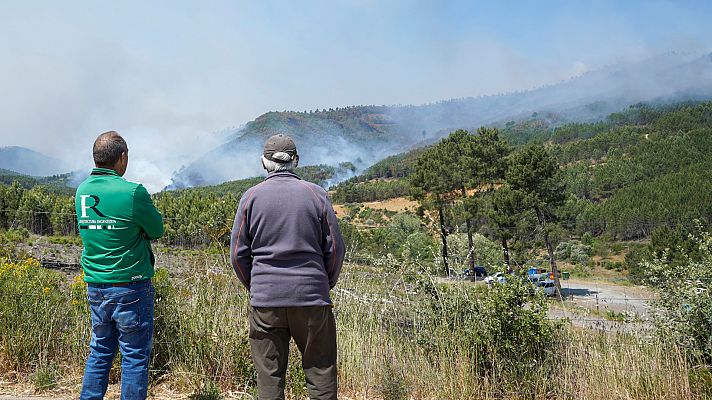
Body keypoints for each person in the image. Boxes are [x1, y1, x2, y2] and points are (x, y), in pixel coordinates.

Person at [231, 134, 346, 400]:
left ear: (263, 162)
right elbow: (336, 249)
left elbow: (237, 255)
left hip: (266, 301)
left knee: (269, 379)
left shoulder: (250, 198)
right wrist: (324, 282)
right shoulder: (316, 195)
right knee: (321, 373)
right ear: (296, 161)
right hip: (312, 299)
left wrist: (257, 284)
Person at [75, 131, 164, 400]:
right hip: (130, 286)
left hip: (96, 285)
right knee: (134, 357)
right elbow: (156, 229)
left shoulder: (82, 191)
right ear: (122, 158)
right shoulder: (133, 192)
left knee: (100, 350)